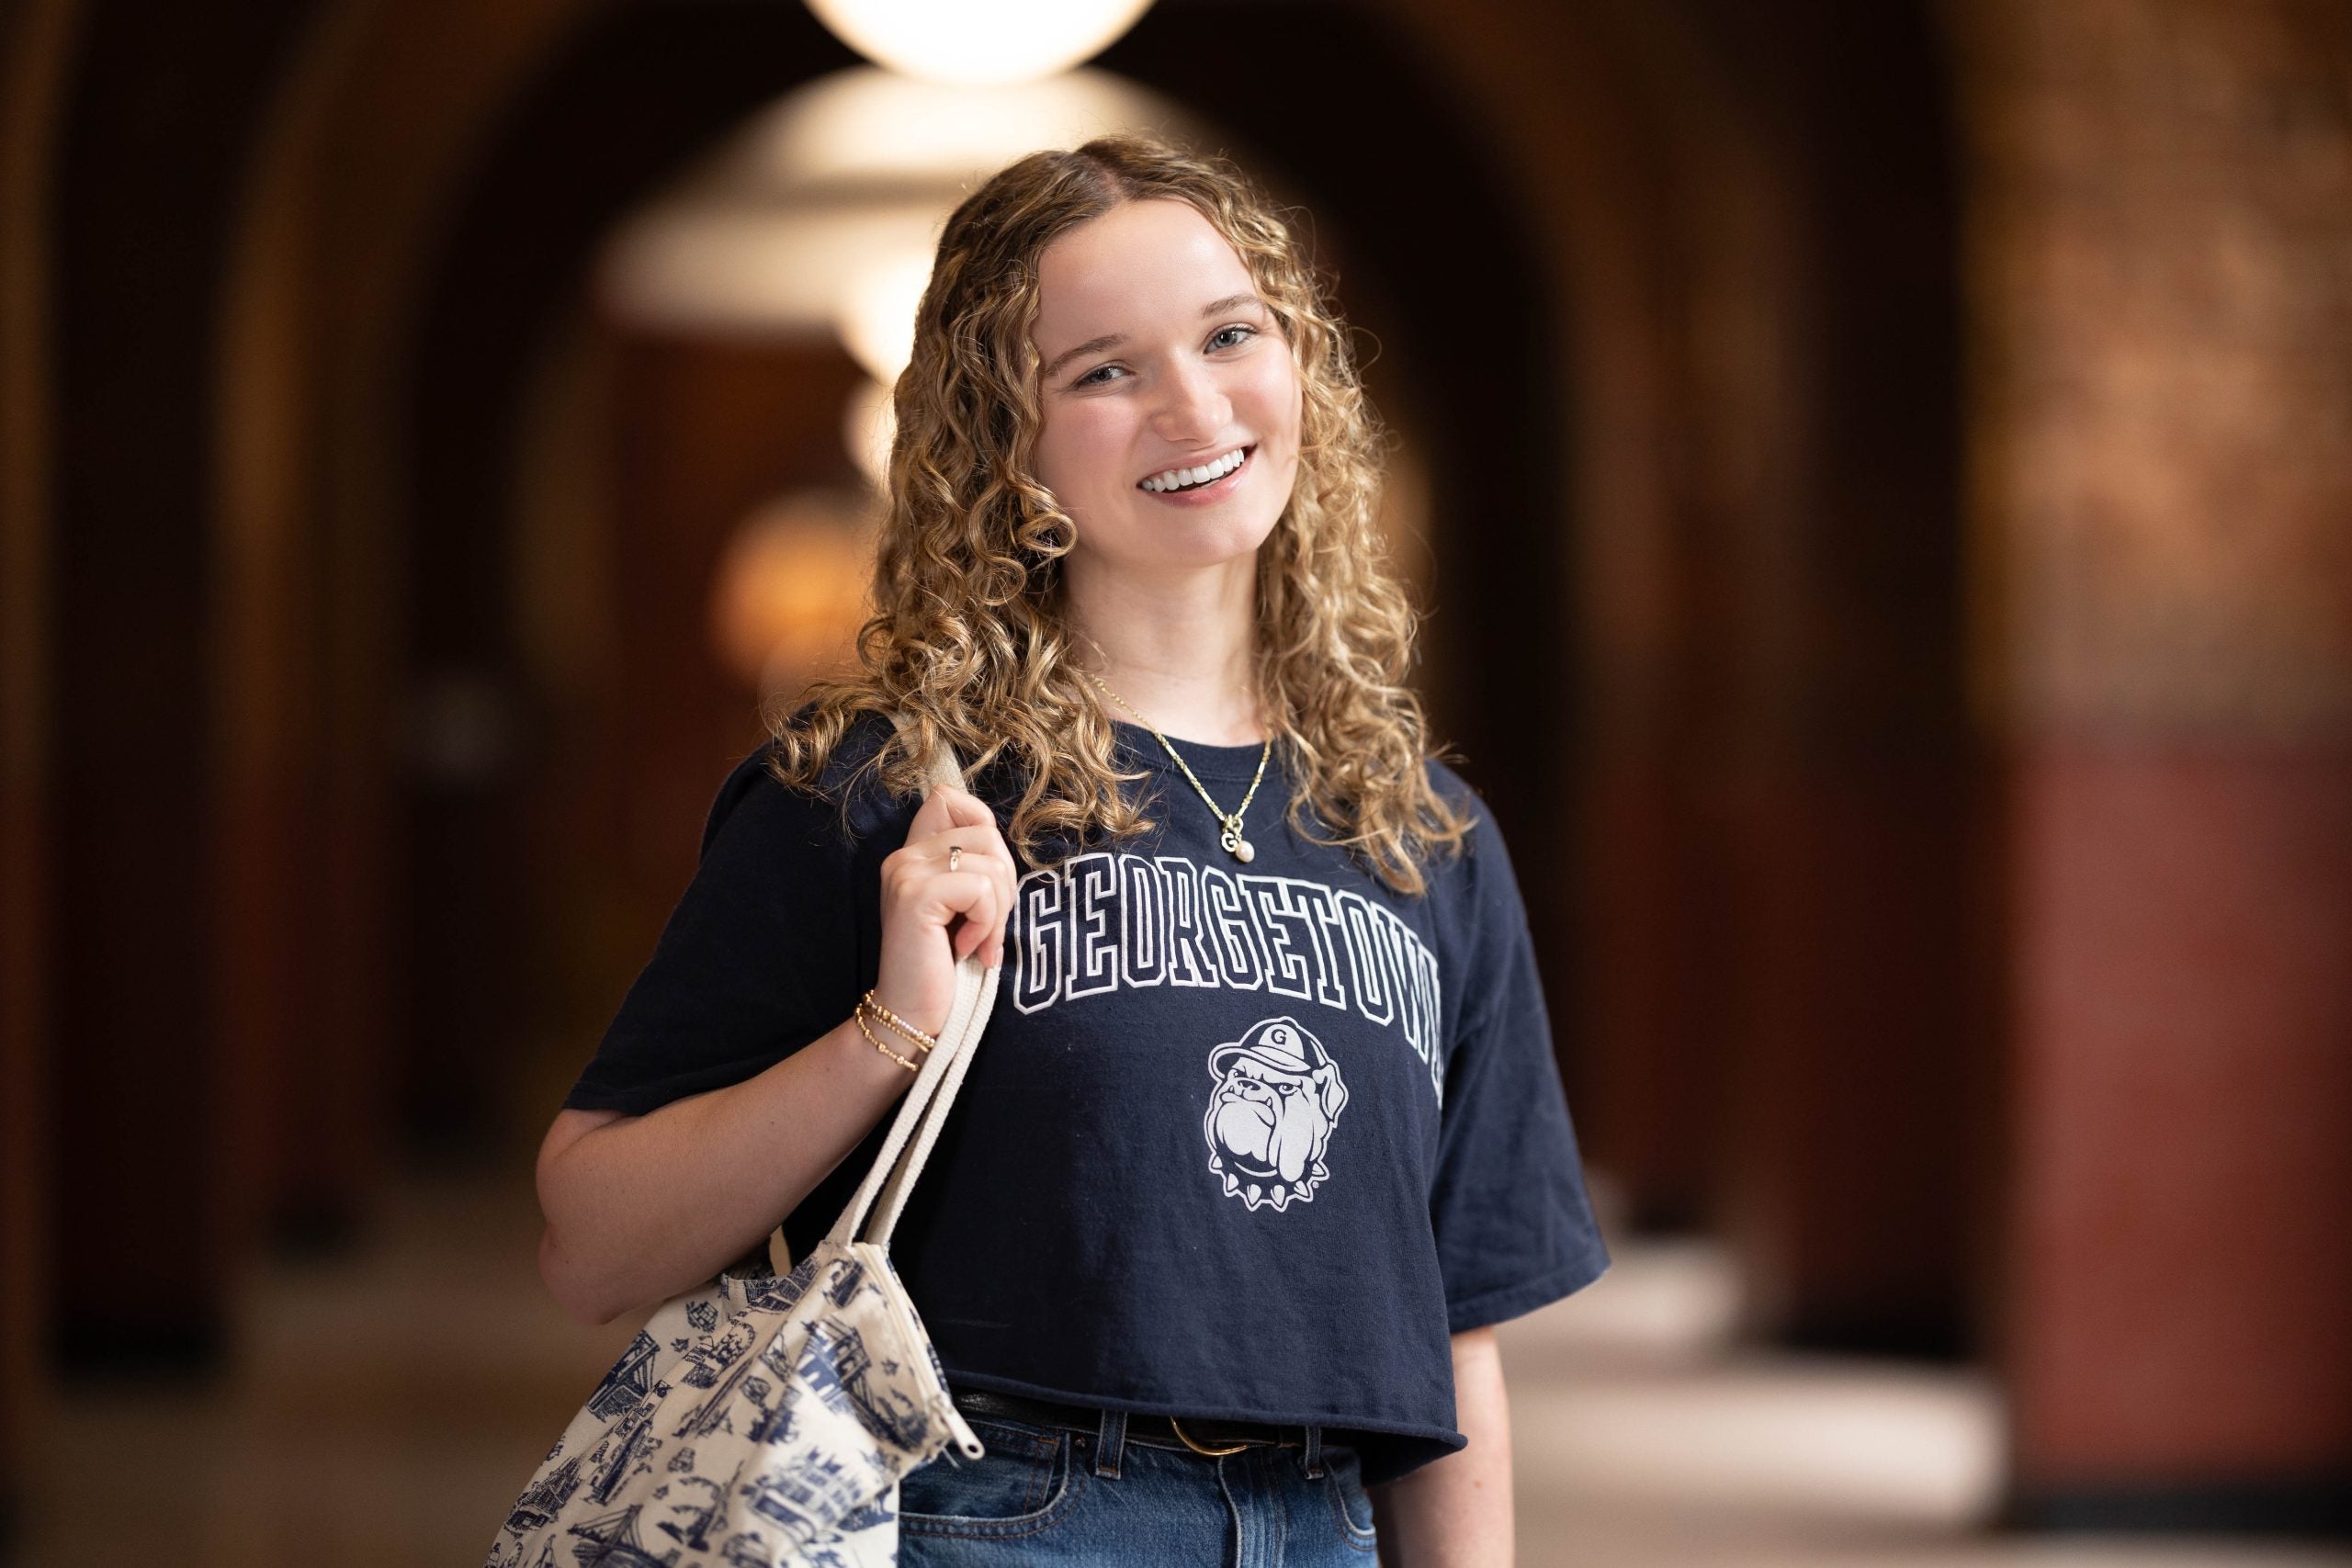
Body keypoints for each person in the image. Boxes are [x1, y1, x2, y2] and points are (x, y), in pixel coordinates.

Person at [534, 134, 1610, 1566]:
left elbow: (1455, 1338)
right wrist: (887, 1035)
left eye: (1233, 336)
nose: (1193, 405)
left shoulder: (1424, 835)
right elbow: (592, 1242)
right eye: (1103, 370)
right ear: (1006, 442)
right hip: (1005, 1515)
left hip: (1327, 1524)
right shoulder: (877, 795)